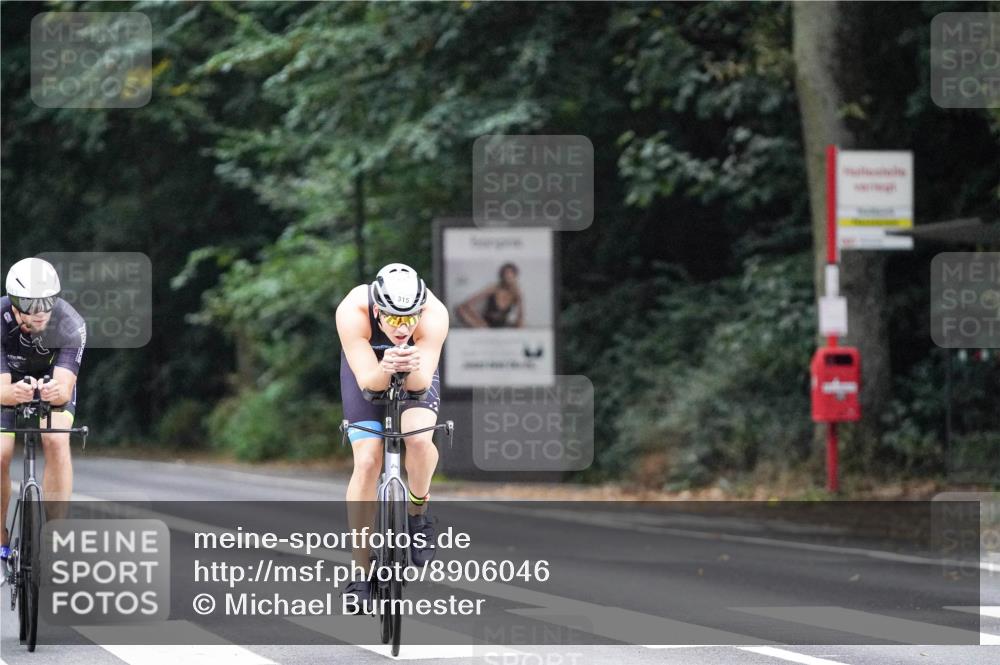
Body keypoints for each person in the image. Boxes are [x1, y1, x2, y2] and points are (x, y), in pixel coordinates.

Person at [335, 263, 449, 611]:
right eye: (394, 319)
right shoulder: (352, 311)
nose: (403, 328)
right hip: (369, 366)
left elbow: (419, 385)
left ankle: (418, 512)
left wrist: (410, 365)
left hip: (417, 369)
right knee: (368, 461)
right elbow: (368, 383)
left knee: (418, 439)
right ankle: (360, 569)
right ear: (376, 310)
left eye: (409, 319)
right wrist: (384, 368)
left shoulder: (434, 314)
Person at [0, 257, 86, 565]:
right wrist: (12, 393)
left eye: (47, 303)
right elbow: (2, 390)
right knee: (1, 454)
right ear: (14, 304)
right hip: (6, 381)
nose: (40, 313)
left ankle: (55, 536)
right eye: (31, 305)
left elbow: (64, 386)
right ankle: (1, 543)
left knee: (56, 439)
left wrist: (54, 391)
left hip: (51, 382)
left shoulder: (70, 323)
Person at [456, 262, 524, 328]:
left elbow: (519, 320)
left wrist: (520, 298)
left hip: (502, 325)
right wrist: (480, 321)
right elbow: (467, 303)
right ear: (502, 276)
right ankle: (484, 329)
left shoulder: (516, 293)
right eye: (506, 273)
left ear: (515, 276)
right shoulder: (494, 288)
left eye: (511, 273)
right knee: (460, 309)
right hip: (485, 324)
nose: (509, 276)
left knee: (520, 325)